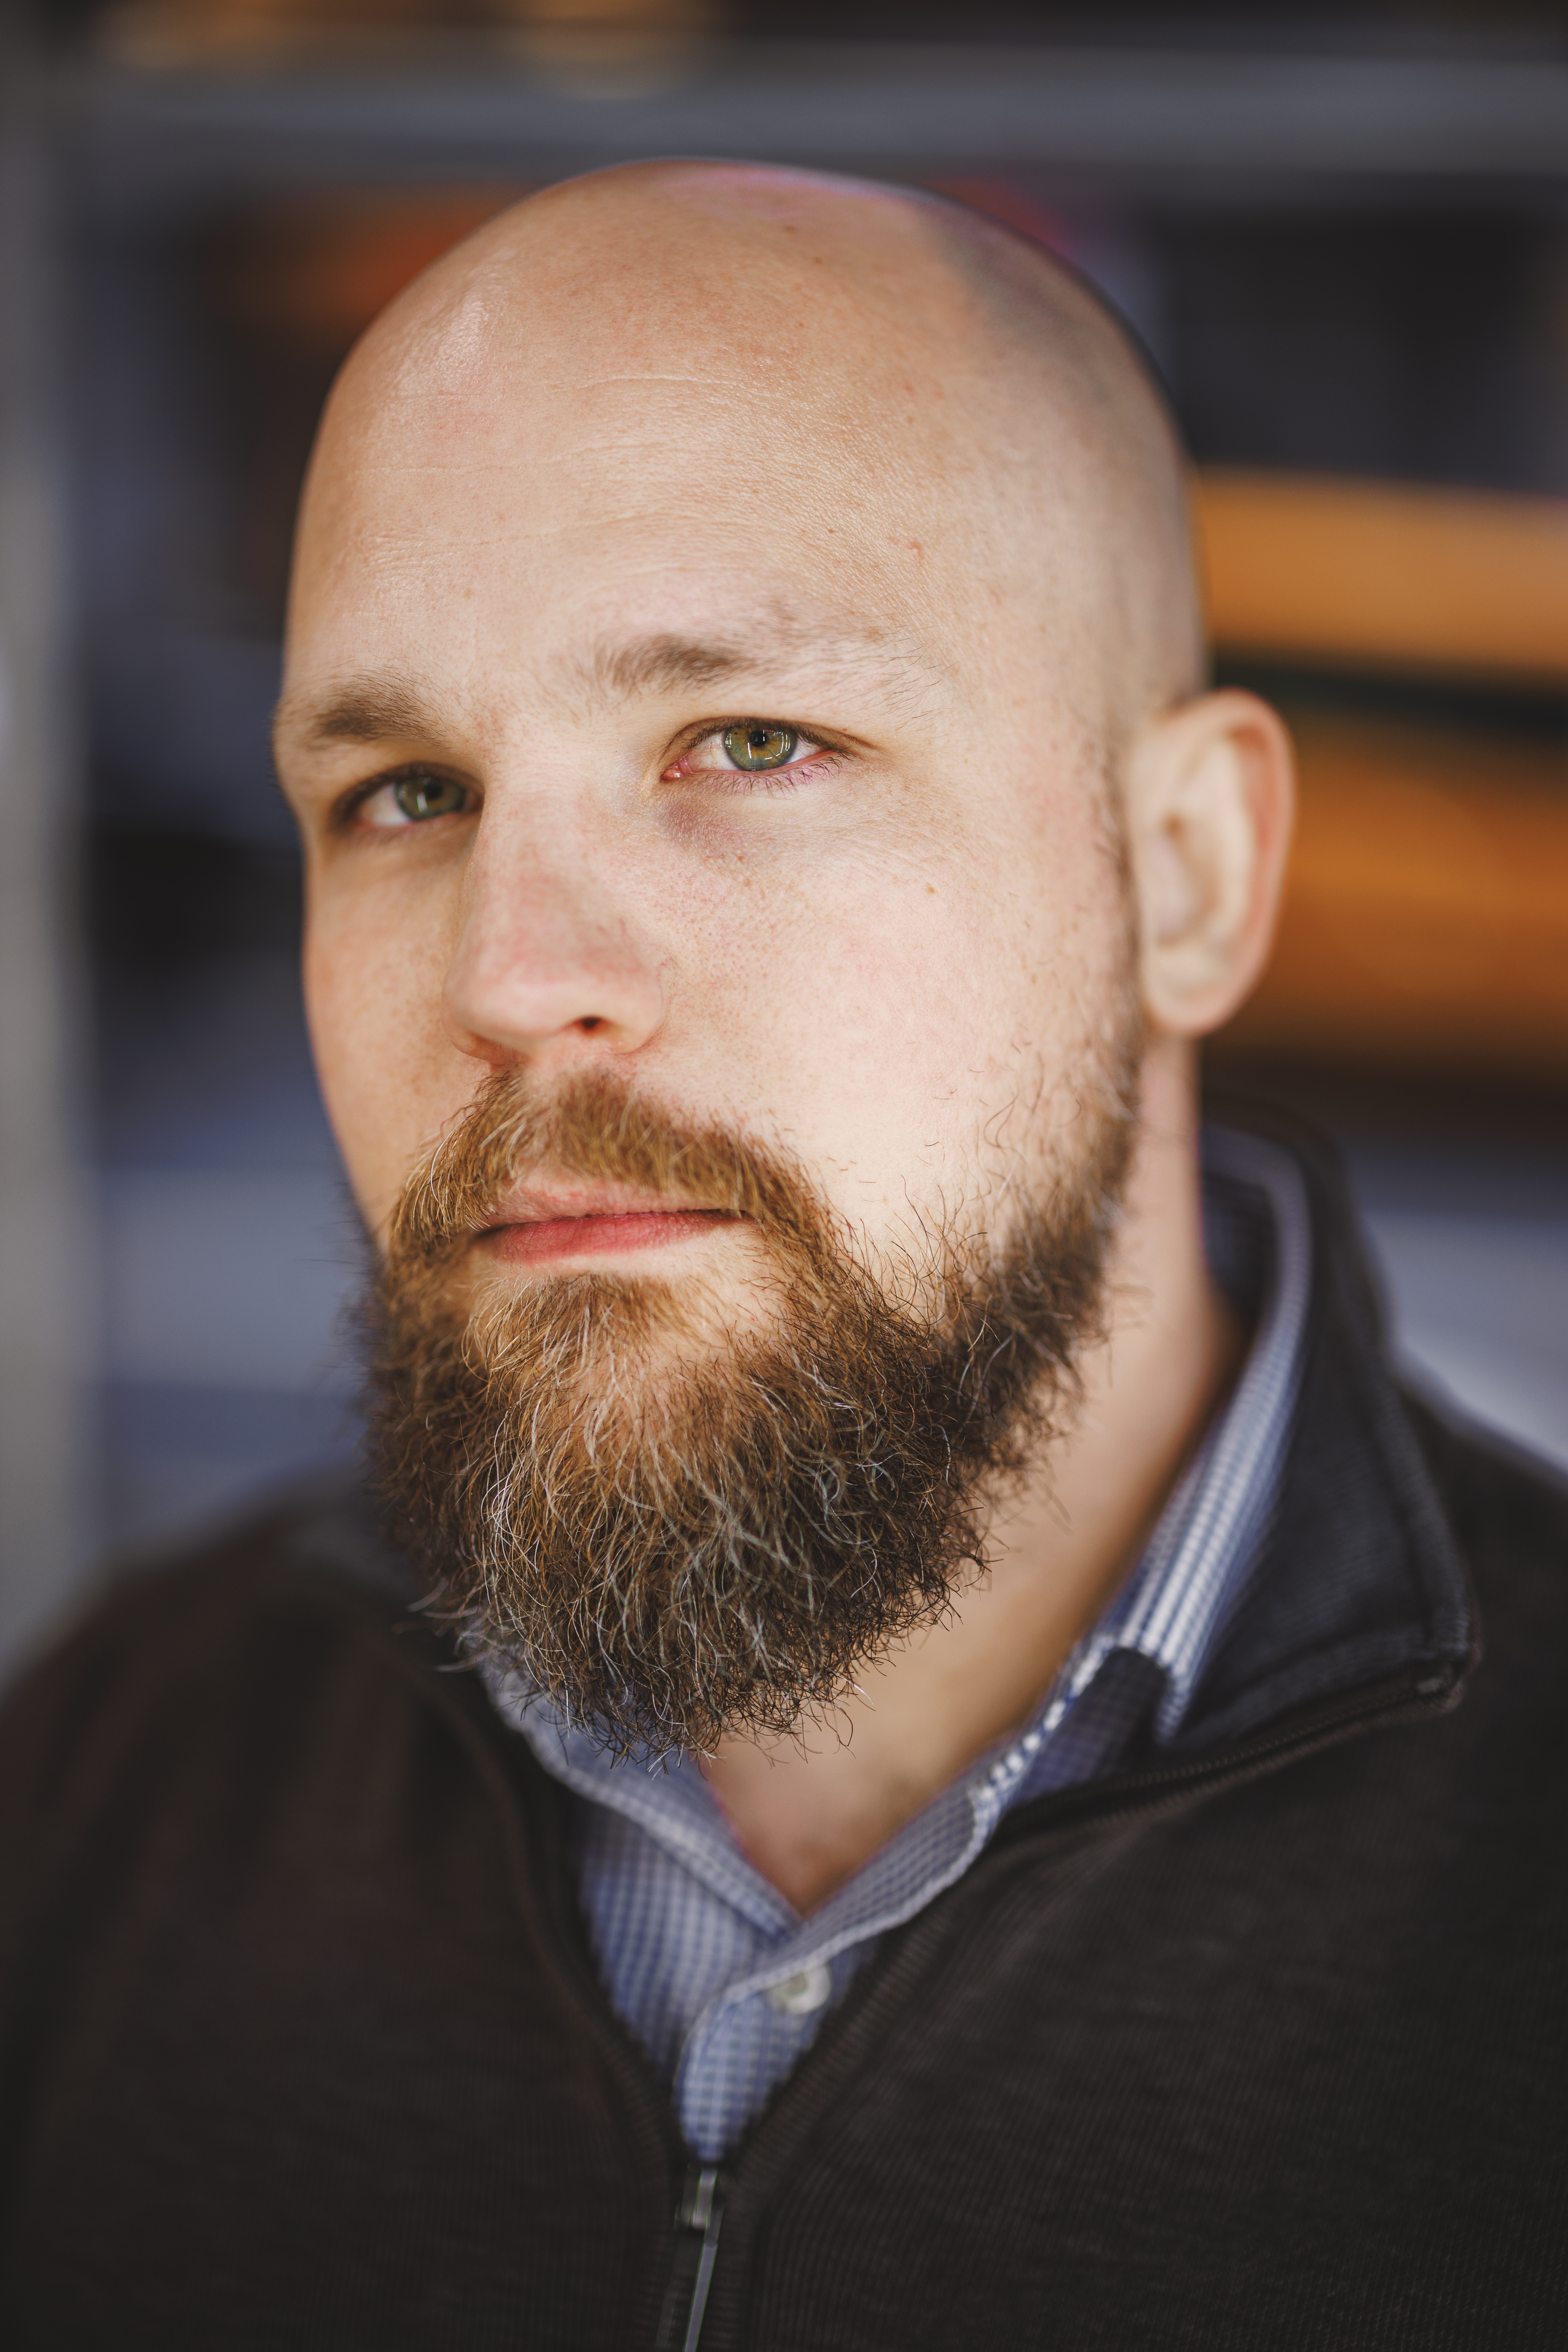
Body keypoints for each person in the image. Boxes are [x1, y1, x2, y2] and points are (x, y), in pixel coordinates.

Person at [1, 162, 1564, 2351]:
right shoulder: (108, 1794)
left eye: (752, 744)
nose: (517, 981)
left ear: (1190, 875)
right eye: (408, 795)